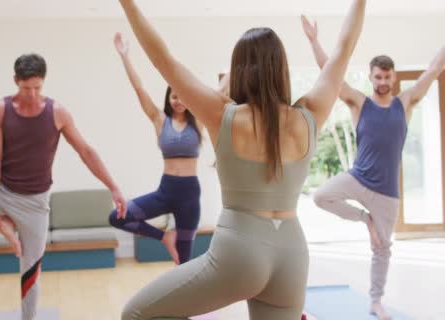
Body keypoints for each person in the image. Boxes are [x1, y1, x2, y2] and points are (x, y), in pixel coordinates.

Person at [116, 0, 366, 318]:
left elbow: (163, 59)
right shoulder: (309, 115)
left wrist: (128, 4)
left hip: (240, 249)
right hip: (292, 252)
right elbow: (343, 50)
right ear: (281, 68)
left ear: (239, 69)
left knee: (136, 313)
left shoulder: (223, 114)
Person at [0, 53, 126, 320]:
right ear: (15, 81)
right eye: (25, 88)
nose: (32, 95)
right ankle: (3, 224)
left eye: (37, 88)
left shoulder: (58, 113)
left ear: (43, 83)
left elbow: (86, 151)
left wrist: (113, 187)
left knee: (31, 271)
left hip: (35, 203)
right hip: (0, 188)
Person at [304, 16, 445, 320]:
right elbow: (331, 76)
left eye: (387, 77)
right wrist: (315, 41)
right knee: (320, 196)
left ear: (394, 78)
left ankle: (375, 302)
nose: (382, 82)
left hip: (387, 193)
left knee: (382, 249)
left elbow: (434, 68)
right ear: (371, 77)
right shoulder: (358, 102)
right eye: (377, 77)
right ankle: (363, 219)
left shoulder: (405, 102)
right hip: (357, 178)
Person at [108, 32, 204, 265]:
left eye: (182, 96)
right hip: (166, 190)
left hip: (190, 194)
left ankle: (183, 300)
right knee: (118, 217)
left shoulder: (200, 118)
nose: (178, 100)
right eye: (174, 96)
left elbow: (221, 91)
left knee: (183, 260)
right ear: (168, 98)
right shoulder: (160, 119)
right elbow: (139, 89)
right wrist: (124, 57)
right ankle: (164, 238)